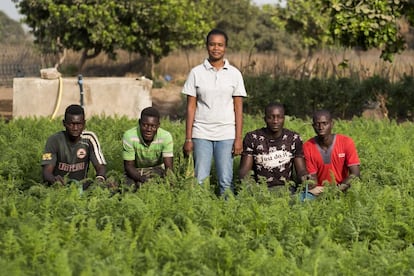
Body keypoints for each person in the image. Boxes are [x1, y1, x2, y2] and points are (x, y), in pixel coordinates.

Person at [182, 28, 247, 195]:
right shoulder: (196, 73)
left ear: (225, 48)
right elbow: (190, 107)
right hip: (201, 132)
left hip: (226, 133)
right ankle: (198, 215)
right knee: (200, 180)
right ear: (206, 46)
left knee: (225, 180)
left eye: (220, 45)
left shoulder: (234, 74)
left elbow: (238, 109)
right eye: (212, 44)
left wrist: (238, 139)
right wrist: (188, 138)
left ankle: (227, 215)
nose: (216, 48)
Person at [239, 103, 310, 192]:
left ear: (283, 119)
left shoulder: (293, 138)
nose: (275, 121)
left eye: (279, 117)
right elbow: (245, 170)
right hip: (260, 189)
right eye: (271, 117)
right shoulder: (253, 138)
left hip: (286, 189)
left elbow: (301, 169)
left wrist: (304, 176)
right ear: (265, 119)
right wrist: (251, 187)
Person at [41, 104, 107, 189]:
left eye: (79, 124)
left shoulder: (89, 138)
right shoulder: (54, 140)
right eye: (71, 124)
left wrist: (100, 179)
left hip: (82, 188)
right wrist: (54, 180)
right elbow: (46, 172)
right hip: (58, 188)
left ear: (84, 124)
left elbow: (100, 166)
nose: (75, 128)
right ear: (64, 123)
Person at [303, 109, 360, 197]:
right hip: (318, 192)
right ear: (313, 126)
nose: (321, 127)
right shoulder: (308, 146)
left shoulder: (346, 142)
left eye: (324, 123)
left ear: (332, 124)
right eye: (317, 124)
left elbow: (355, 173)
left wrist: (337, 190)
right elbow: (312, 180)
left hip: (343, 189)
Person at [122, 106, 173, 188]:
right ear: (139, 122)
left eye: (153, 126)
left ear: (158, 126)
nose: (149, 129)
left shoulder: (166, 137)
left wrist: (171, 185)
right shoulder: (129, 136)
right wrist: (143, 180)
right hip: (136, 171)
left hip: (157, 170)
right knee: (128, 188)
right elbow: (129, 166)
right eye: (145, 125)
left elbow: (169, 168)